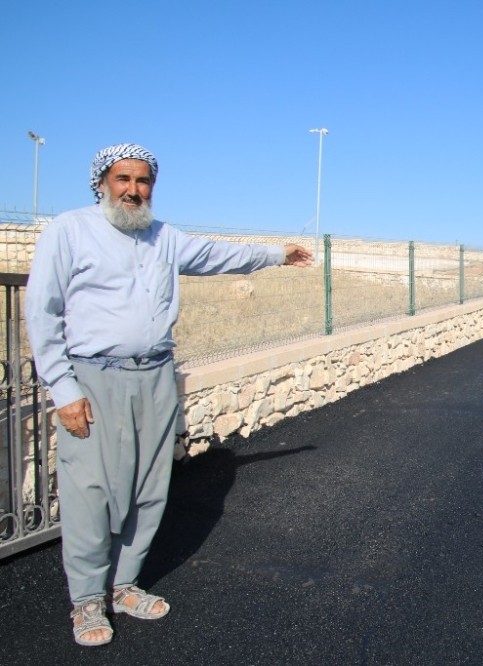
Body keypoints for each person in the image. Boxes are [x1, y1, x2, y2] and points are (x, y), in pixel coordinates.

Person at [24, 143, 313, 647]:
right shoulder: (69, 231)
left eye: (143, 181)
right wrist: (63, 388)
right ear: (102, 183)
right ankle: (87, 600)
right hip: (94, 377)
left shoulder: (163, 238)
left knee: (149, 485)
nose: (134, 190)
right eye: (123, 179)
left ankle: (123, 585)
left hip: (156, 376)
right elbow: (42, 314)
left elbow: (220, 255)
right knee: (91, 490)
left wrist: (277, 254)